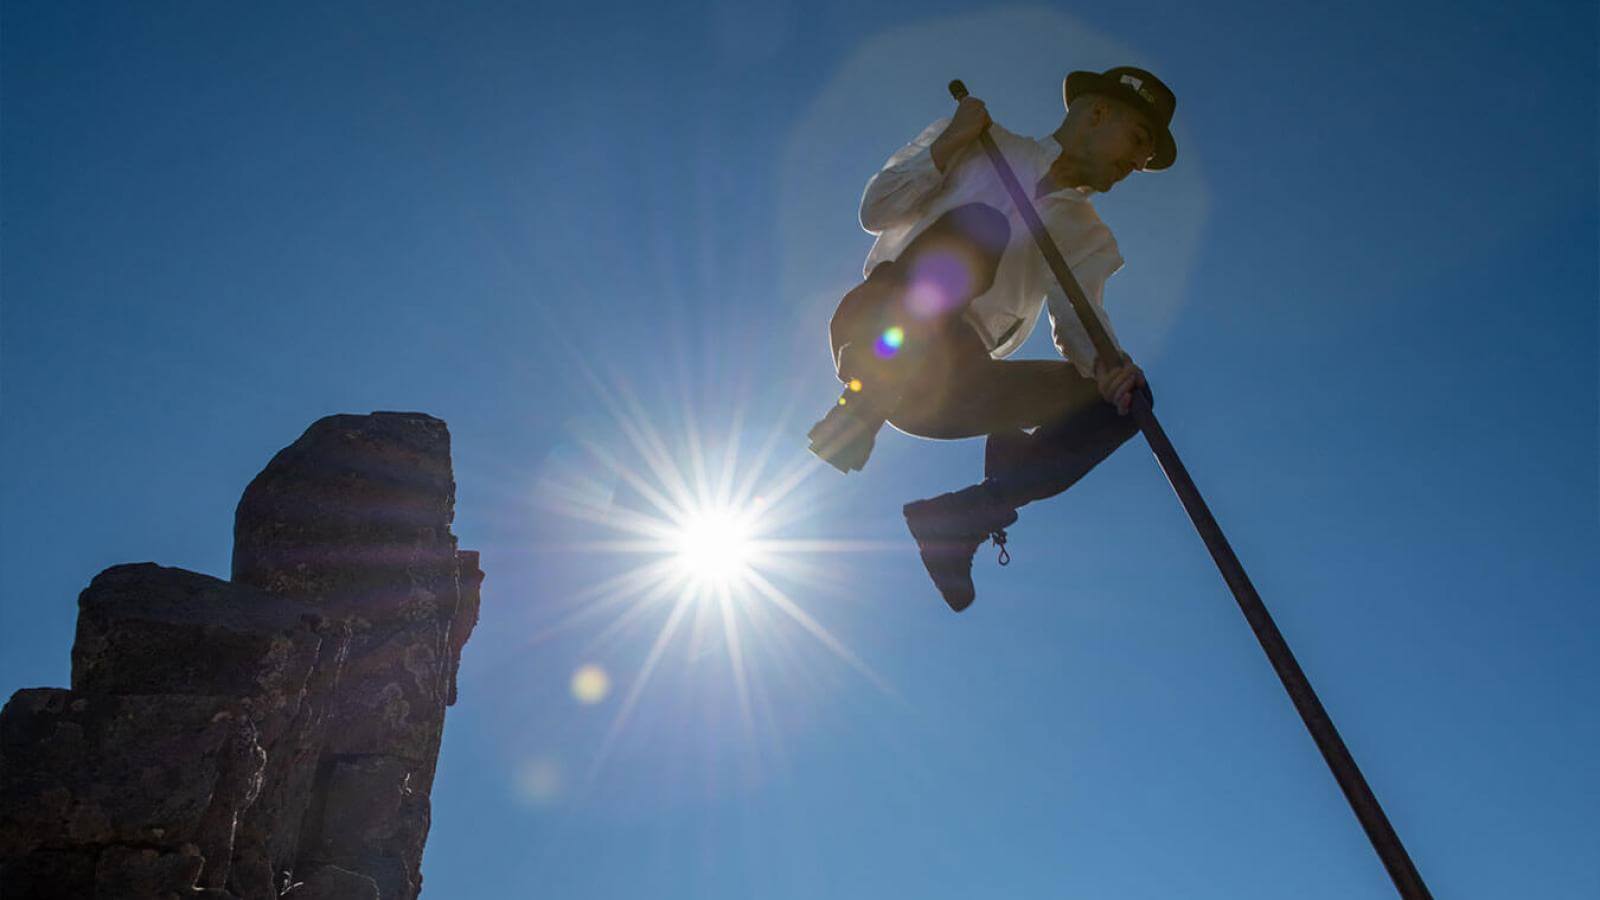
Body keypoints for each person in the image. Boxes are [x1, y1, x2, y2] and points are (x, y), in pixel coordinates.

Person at [812, 66, 1178, 612]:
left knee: (1129, 403)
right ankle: (863, 401)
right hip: (877, 332)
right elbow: (876, 209)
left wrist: (1110, 368)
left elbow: (1080, 322)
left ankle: (964, 518)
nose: (1139, 162)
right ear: (1098, 112)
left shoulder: (1088, 234)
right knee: (981, 226)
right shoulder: (981, 141)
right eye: (1139, 139)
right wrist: (952, 141)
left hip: (952, 384)